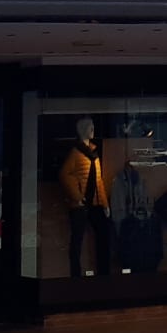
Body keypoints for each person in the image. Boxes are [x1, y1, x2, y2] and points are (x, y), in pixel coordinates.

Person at [58, 117, 112, 277]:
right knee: (77, 241)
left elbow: (98, 180)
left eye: (93, 127)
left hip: (95, 203)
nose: (93, 130)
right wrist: (77, 196)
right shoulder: (75, 153)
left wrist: (104, 203)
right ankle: (76, 276)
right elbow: (64, 175)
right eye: (90, 127)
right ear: (82, 130)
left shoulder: (93, 153)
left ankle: (104, 273)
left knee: (103, 236)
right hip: (81, 205)